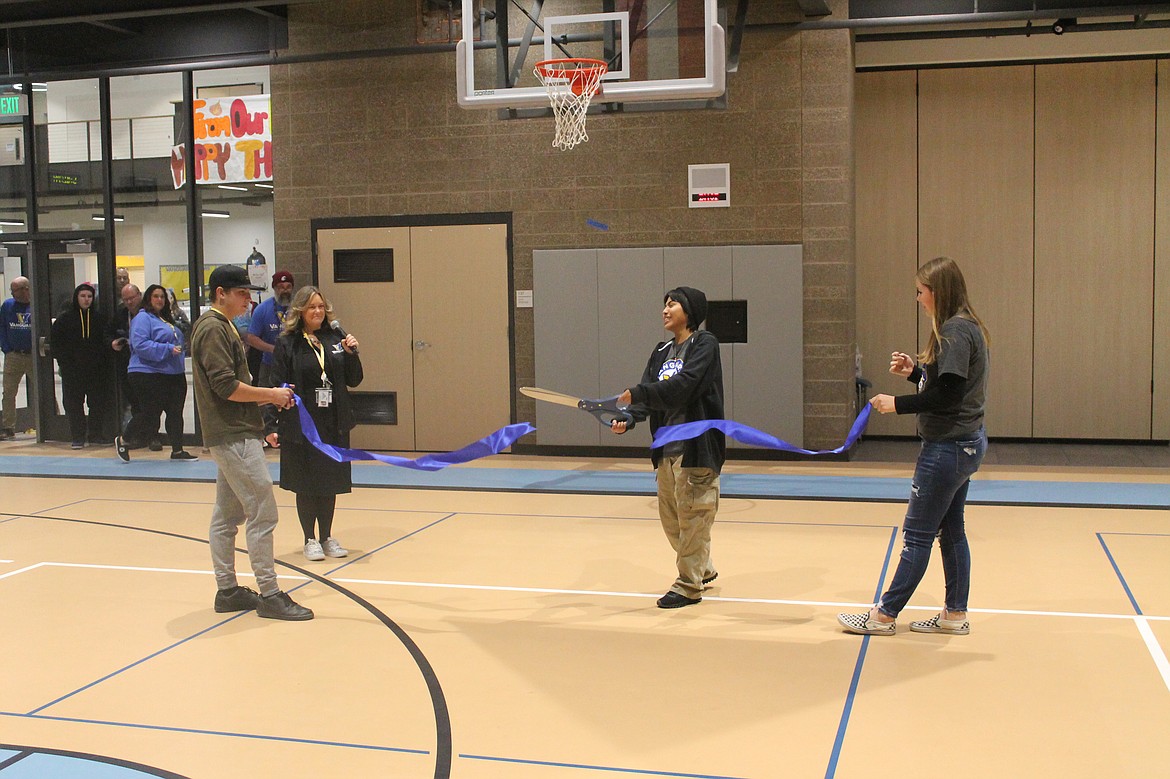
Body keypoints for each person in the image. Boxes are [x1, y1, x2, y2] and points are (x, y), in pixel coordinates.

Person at [838, 256, 989, 637]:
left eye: (921, 292)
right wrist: (917, 373)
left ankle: (884, 614)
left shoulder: (955, 331)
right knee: (952, 531)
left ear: (938, 292)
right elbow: (947, 385)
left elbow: (948, 396)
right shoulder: (964, 328)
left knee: (918, 534)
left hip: (948, 449)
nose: (918, 298)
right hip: (966, 445)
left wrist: (896, 404)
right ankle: (955, 614)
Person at [191, 264, 312, 621]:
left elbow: (231, 389)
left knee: (227, 515)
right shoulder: (213, 328)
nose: (247, 300)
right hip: (232, 434)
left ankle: (227, 590)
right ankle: (271, 594)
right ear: (221, 294)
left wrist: (270, 397)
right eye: (242, 293)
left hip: (235, 429)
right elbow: (226, 388)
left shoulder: (222, 326)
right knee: (263, 511)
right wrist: (272, 395)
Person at [609, 286, 725, 609]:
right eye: (665, 304)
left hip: (696, 449)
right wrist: (629, 419)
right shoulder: (660, 353)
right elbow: (648, 399)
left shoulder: (705, 345)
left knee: (695, 514)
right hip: (666, 451)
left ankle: (689, 585)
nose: (665, 309)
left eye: (672, 304)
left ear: (690, 311)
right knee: (671, 519)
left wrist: (638, 393)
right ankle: (702, 566)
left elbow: (683, 387)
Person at [267, 286, 363, 561]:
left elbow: (354, 379)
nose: (318, 312)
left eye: (321, 307)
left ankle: (327, 536)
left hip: (332, 421)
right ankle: (310, 538)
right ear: (300, 311)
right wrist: (272, 425)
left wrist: (351, 354)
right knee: (307, 482)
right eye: (312, 307)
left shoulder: (335, 338)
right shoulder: (288, 343)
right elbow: (276, 383)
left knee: (329, 481)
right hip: (302, 424)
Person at [119, 284, 197, 461]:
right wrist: (168, 349)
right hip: (148, 372)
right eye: (156, 296)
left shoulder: (167, 319)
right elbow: (140, 345)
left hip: (174, 373)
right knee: (150, 412)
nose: (160, 300)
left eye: (162, 297)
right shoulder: (142, 318)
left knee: (175, 412)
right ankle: (124, 439)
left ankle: (177, 450)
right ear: (148, 298)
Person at [50, 283, 111, 448]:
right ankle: (77, 436)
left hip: (96, 371)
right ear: (76, 298)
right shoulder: (64, 319)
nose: (86, 300)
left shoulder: (99, 318)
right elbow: (56, 344)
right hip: (72, 371)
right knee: (74, 404)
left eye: (89, 296)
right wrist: (65, 363)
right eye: (83, 296)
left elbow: (105, 342)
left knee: (97, 403)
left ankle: (95, 435)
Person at [246, 269, 294, 387]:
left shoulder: (299, 308)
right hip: (269, 365)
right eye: (280, 287)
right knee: (267, 403)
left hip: (295, 364)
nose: (285, 290)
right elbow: (251, 338)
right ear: (274, 288)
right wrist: (273, 349)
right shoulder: (262, 309)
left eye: (288, 287)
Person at [0, 276, 33, 439]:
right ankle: (8, 426)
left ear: (25, 289)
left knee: (43, 390)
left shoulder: (36, 304)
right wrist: (6, 349)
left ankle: (50, 422)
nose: (12, 294)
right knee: (9, 392)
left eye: (15, 290)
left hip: (34, 355)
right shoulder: (7, 306)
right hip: (13, 355)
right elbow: (2, 327)